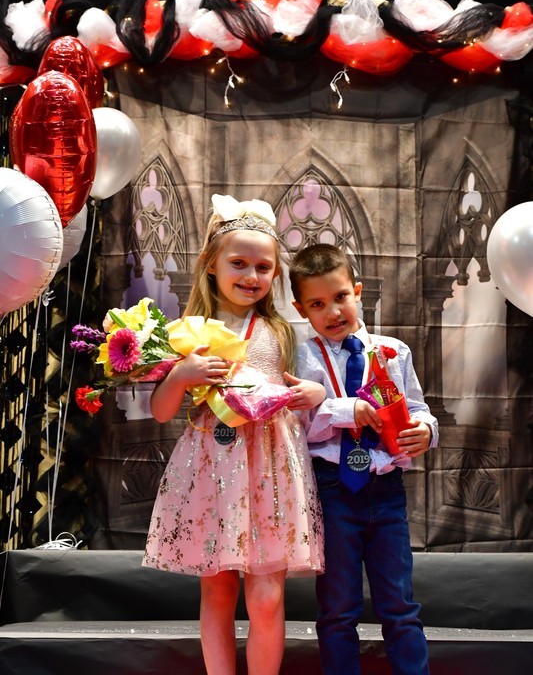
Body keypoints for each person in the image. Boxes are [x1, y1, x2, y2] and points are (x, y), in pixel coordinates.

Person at [143, 194, 325, 675]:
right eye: (238, 263)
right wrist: (181, 375)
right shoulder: (187, 331)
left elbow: (308, 388)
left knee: (266, 598)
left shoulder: (281, 331)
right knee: (218, 592)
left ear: (276, 274)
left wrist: (315, 393)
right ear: (211, 263)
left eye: (263, 267)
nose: (251, 275)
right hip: (212, 469)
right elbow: (161, 411)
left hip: (270, 469)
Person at [288, 243, 439, 675]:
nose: (333, 311)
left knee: (400, 604)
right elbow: (299, 425)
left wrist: (426, 431)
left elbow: (418, 408)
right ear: (301, 309)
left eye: (340, 297)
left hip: (387, 490)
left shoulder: (393, 351)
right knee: (338, 607)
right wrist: (346, 410)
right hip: (333, 489)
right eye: (317, 304)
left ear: (357, 291)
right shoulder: (302, 357)